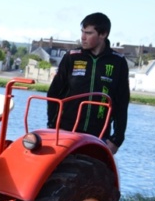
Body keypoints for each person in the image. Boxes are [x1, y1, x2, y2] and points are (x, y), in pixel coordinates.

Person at [47, 12, 130, 155]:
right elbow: (53, 93)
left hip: (99, 136)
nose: (83, 37)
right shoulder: (71, 57)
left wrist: (117, 139)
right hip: (65, 132)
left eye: (89, 33)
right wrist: (52, 126)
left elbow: (122, 102)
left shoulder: (118, 62)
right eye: (82, 32)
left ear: (103, 34)